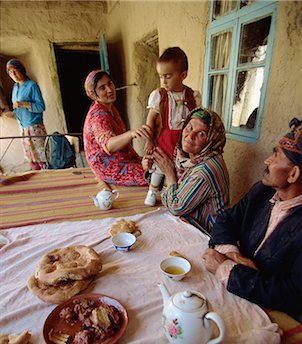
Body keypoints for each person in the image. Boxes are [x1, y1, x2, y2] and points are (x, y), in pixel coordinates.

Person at [203, 118, 302, 318]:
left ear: (293, 174)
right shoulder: (262, 192)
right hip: (239, 297)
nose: (267, 160)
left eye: (276, 155)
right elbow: (226, 220)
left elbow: (294, 295)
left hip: (273, 316)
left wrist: (226, 268)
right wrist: (233, 254)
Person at [142, 107, 230, 233]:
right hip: (189, 223)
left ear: (211, 140)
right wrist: (153, 168)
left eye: (201, 134)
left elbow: (176, 207)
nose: (190, 135)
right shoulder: (190, 159)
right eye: (189, 127)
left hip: (206, 234)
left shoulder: (205, 170)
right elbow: (169, 190)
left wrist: (169, 173)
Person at [143, 47, 201, 206]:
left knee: (177, 168)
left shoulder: (192, 96)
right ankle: (152, 191)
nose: (163, 81)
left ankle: (169, 193)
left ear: (183, 75)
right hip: (163, 138)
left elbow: (195, 121)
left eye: (168, 76)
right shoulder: (159, 96)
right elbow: (149, 122)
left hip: (182, 141)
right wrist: (149, 141)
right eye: (161, 76)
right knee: (159, 166)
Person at [83, 70, 151, 186]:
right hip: (108, 167)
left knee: (153, 164)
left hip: (120, 159)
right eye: (102, 88)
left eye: (110, 83)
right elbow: (108, 146)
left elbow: (124, 146)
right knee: (154, 178)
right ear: (93, 94)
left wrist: (138, 160)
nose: (109, 90)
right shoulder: (98, 115)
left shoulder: (110, 109)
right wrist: (131, 134)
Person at [5, 59, 48, 170]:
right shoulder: (15, 88)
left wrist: (23, 103)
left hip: (35, 128)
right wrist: (12, 114)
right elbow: (19, 109)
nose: (13, 75)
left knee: (42, 159)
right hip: (23, 128)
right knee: (31, 160)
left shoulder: (31, 85)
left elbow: (41, 107)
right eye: (10, 73)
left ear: (21, 70)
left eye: (15, 71)